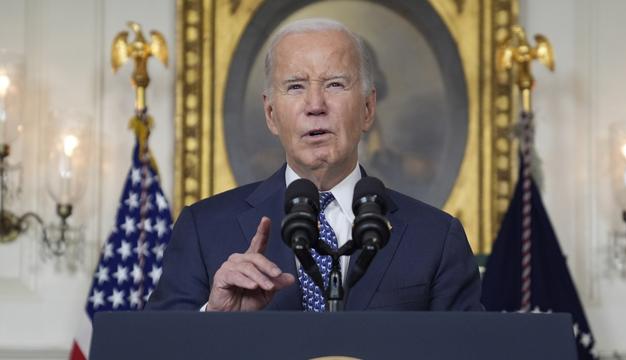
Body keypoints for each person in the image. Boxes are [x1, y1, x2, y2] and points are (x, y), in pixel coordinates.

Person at [146, 18, 482, 312]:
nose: (315, 105)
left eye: (335, 84)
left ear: (367, 109)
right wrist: (212, 319)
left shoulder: (436, 238)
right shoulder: (203, 229)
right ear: (271, 114)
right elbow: (152, 351)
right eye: (295, 86)